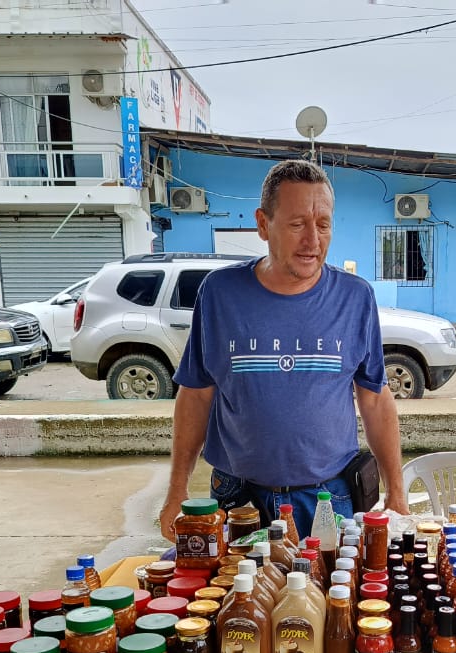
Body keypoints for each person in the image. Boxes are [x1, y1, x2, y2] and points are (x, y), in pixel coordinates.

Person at [159, 159, 408, 543]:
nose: (313, 240)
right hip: (238, 497)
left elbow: (375, 399)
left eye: (323, 224)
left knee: (334, 582)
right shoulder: (219, 294)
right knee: (236, 584)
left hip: (329, 497)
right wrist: (177, 491)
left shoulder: (355, 298)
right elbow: (196, 394)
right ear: (263, 224)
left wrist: (397, 492)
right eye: (297, 224)